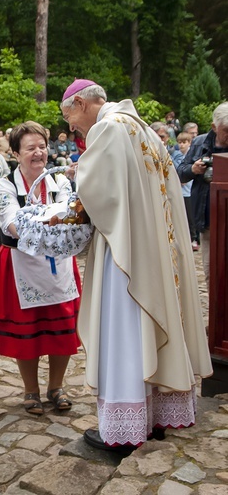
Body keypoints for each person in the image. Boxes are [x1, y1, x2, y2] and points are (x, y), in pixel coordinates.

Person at [60, 79, 212, 452]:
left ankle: (123, 430)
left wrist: (75, 178)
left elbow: (99, 193)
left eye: (70, 118)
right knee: (145, 326)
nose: (71, 128)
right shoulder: (144, 129)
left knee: (124, 330)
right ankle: (154, 417)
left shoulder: (109, 129)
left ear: (81, 102)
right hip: (156, 249)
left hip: (124, 252)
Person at [0, 121, 81, 415]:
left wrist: (60, 221)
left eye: (42, 146)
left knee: (63, 328)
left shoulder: (60, 181)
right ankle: (31, 389)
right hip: (22, 264)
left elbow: (71, 212)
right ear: (16, 153)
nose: (39, 153)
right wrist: (48, 223)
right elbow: (10, 223)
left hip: (59, 265)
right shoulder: (6, 185)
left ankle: (56, 386)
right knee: (28, 329)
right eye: (30, 148)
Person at [177, 102, 228, 288]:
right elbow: (180, 171)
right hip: (209, 222)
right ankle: (217, 316)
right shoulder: (200, 143)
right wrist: (193, 169)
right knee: (211, 273)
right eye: (226, 130)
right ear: (214, 127)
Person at [170, 132, 198, 251]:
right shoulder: (175, 155)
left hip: (188, 191)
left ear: (189, 143)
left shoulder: (190, 156)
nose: (181, 145)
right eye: (179, 142)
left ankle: (194, 238)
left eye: (184, 142)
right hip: (179, 192)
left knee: (190, 218)